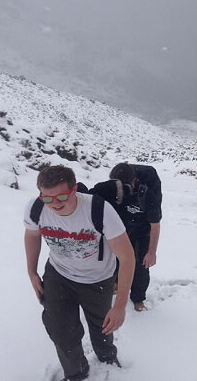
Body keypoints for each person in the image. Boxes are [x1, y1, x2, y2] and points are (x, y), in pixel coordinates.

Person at [23, 165, 135, 381]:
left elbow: (127, 257)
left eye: (61, 196)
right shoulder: (36, 208)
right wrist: (32, 271)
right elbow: (31, 235)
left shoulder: (100, 210)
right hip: (58, 274)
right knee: (59, 328)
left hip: (97, 278)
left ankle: (106, 356)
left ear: (74, 190)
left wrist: (120, 305)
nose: (54, 204)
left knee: (103, 326)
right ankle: (76, 372)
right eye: (47, 198)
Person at [90, 163, 162, 312]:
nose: (120, 188)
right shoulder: (111, 190)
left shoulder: (147, 195)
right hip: (119, 232)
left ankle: (138, 298)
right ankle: (116, 283)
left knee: (141, 267)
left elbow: (155, 225)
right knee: (114, 261)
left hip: (142, 233)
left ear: (134, 181)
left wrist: (151, 252)